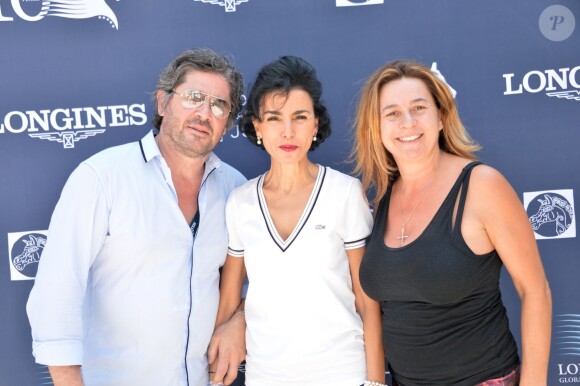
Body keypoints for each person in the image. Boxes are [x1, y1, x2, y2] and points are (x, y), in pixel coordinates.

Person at [26, 48, 247, 386]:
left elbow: (267, 283)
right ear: (163, 103)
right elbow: (57, 290)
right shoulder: (102, 177)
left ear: (227, 122)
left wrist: (240, 321)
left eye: (219, 105)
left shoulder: (236, 189)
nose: (204, 113)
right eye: (193, 97)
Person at [353, 60, 552, 386]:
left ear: (441, 117)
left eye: (419, 108)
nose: (407, 122)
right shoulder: (384, 198)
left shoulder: (482, 186)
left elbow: (535, 291)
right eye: (392, 113)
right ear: (376, 127)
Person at [209, 56, 385, 386]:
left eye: (299, 117)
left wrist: (374, 382)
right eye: (274, 118)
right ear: (258, 127)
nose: (287, 131)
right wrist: (214, 372)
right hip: (267, 377)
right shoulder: (241, 202)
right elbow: (230, 296)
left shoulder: (345, 193)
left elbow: (367, 299)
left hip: (343, 374)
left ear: (315, 124)